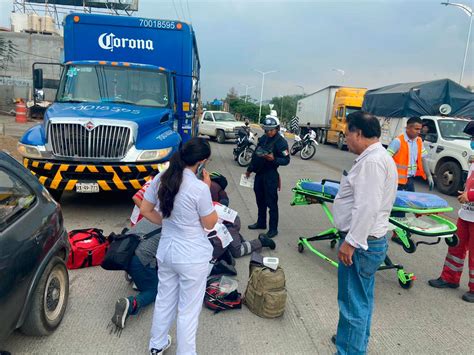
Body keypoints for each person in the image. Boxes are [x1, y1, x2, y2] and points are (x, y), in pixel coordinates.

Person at [141, 138, 218, 355]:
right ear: (201, 162)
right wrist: (207, 188)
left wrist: (167, 222)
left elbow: (146, 210)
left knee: (164, 299)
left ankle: (156, 345)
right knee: (187, 311)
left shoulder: (161, 179)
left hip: (167, 251)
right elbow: (210, 223)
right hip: (192, 256)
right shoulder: (199, 188)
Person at [331, 111, 398, 354]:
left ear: (358, 133)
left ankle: (349, 349)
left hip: (361, 244)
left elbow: (367, 206)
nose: (346, 139)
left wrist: (351, 242)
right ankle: (355, 343)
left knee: (352, 304)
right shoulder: (379, 157)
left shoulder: (371, 162)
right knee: (361, 300)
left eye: (347, 134)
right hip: (370, 241)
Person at [428, 120, 474, 303]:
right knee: (455, 245)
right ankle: (449, 278)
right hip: (466, 213)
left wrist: (470, 195)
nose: (471, 141)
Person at [387, 116, 434, 244]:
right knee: (399, 209)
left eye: (420, 129)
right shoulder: (398, 141)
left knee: (412, 206)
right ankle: (397, 234)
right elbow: (385, 159)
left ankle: (403, 229)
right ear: (407, 128)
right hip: (397, 182)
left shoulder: (419, 141)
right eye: (416, 128)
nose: (419, 131)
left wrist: (429, 176)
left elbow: (423, 159)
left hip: (410, 180)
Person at [111, 219, 162, 329]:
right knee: (154, 290)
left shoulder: (150, 216)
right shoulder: (172, 229)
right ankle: (131, 304)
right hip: (138, 262)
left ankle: (133, 275)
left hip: (125, 254)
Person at [246, 115, 290, 239]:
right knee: (260, 200)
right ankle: (261, 222)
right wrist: (249, 169)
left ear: (277, 128)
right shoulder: (264, 138)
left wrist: (274, 159)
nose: (269, 132)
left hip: (271, 176)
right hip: (259, 174)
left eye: (271, 130)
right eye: (267, 130)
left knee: (271, 203)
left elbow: (286, 160)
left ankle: (273, 229)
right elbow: (256, 155)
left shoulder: (281, 142)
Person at [209, 178, 275, 259]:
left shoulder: (209, 196)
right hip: (227, 219)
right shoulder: (208, 195)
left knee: (237, 251)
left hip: (230, 222)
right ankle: (237, 240)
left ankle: (261, 242)